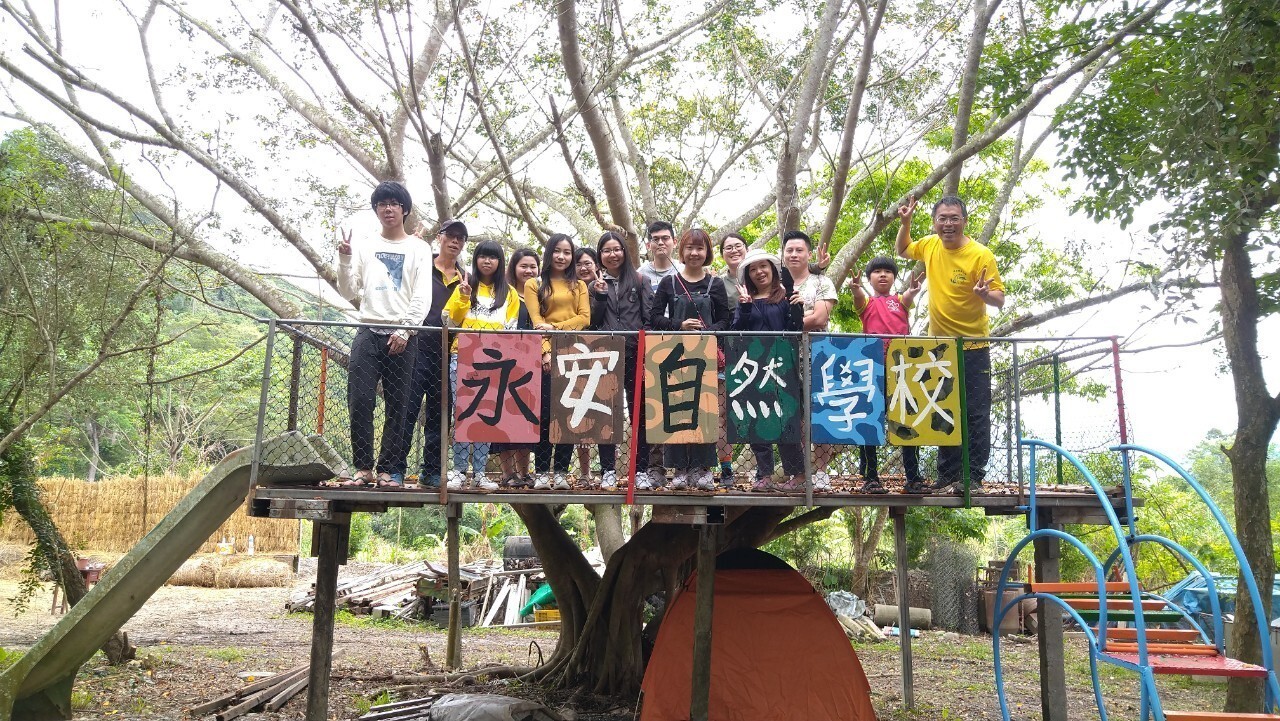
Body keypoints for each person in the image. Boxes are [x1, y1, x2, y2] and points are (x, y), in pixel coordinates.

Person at [896, 194, 1005, 491]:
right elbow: (903, 249)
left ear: (964, 221)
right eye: (942, 219)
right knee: (944, 408)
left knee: (976, 412)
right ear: (934, 222)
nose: (948, 224)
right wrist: (905, 223)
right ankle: (947, 475)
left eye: (954, 218)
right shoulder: (930, 245)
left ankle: (973, 476)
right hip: (940, 348)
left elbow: (1000, 299)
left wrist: (984, 294)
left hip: (974, 346)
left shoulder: (981, 255)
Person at [336, 181, 432, 488]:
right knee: (360, 399)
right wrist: (345, 259)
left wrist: (406, 329)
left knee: (399, 405)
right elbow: (349, 290)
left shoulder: (419, 248)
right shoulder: (366, 245)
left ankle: (387, 470)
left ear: (405, 210)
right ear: (376, 210)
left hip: (404, 334)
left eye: (394, 203)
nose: (388, 209)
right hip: (368, 329)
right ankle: (363, 467)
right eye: (382, 204)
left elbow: (422, 295)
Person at [646, 228, 731, 491]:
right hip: (674, 355)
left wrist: (707, 332)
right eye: (690, 248)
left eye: (700, 248)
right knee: (676, 409)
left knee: (704, 410)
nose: (694, 253)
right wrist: (679, 325)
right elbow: (654, 317)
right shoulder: (669, 283)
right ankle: (679, 469)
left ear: (707, 252)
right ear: (681, 250)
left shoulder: (715, 284)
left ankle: (702, 469)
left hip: (705, 356)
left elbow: (725, 320)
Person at [443, 240, 522, 492]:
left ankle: (479, 473)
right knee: (463, 413)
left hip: (495, 360)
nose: (487, 261)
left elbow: (511, 329)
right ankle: (458, 471)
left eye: (493, 257)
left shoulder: (509, 293)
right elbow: (450, 321)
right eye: (482, 256)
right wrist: (464, 297)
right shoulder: (465, 287)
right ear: (475, 259)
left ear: (500, 261)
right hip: (464, 355)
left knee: (488, 413)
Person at [731, 248, 805, 492]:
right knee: (757, 420)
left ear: (772, 269)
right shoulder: (745, 300)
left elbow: (795, 329)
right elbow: (736, 332)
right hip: (753, 367)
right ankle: (764, 475)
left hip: (781, 366)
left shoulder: (785, 296)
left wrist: (797, 307)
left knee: (786, 420)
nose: (759, 272)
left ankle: (798, 474)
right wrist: (744, 307)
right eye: (753, 269)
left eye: (763, 266)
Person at [851, 256, 925, 494]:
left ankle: (913, 477)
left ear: (894, 277)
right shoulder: (867, 303)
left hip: (901, 366)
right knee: (870, 419)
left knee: (906, 419)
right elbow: (858, 299)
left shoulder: (900, 301)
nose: (882, 275)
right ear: (869, 278)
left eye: (887, 271)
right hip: (872, 367)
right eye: (877, 271)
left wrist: (913, 291)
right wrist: (855, 289)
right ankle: (870, 477)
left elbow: (909, 297)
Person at [402, 219, 467, 489]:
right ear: (439, 237)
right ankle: (395, 469)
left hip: (446, 352)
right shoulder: (422, 266)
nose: (455, 241)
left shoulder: (465, 278)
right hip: (416, 346)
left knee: (440, 414)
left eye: (460, 238)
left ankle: (432, 471)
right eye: (450, 235)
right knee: (406, 409)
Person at [524, 233, 591, 490]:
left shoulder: (579, 285)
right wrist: (545, 352)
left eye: (567, 252)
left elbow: (584, 318)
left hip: (575, 352)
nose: (562, 257)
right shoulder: (535, 284)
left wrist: (554, 327)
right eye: (557, 251)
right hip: (544, 355)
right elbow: (536, 323)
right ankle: (542, 471)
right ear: (549, 252)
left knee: (568, 413)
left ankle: (561, 471)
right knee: (543, 414)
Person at [591, 231, 654, 491]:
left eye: (616, 249)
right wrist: (600, 296)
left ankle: (641, 470)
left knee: (640, 413)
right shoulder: (593, 284)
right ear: (600, 255)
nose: (612, 254)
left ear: (624, 252)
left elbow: (649, 318)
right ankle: (607, 470)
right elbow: (592, 322)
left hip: (635, 354)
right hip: (605, 356)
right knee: (605, 413)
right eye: (606, 250)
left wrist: (645, 350)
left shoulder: (640, 280)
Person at [782, 229, 839, 491]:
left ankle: (821, 472)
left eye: (799, 250)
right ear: (783, 254)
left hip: (817, 356)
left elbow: (819, 318)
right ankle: (799, 472)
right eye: (789, 250)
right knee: (791, 416)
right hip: (783, 357)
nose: (794, 254)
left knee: (820, 413)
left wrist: (786, 324)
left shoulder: (821, 282)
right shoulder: (775, 284)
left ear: (808, 254)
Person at [496, 248, 540, 487]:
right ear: (513, 268)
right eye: (524, 266)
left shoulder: (540, 295)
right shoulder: (505, 294)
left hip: (532, 363)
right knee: (504, 418)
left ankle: (524, 472)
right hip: (505, 361)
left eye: (533, 266)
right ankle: (507, 473)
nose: (529, 271)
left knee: (527, 417)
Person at [715, 232, 749, 486]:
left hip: (762, 354)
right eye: (728, 247)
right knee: (722, 413)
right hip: (727, 353)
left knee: (761, 412)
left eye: (738, 246)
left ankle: (764, 471)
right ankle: (726, 468)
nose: (734, 250)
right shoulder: (718, 283)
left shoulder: (762, 274)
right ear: (722, 254)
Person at [572, 246, 603, 483]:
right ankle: (585, 472)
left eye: (588, 263)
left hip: (603, 352)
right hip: (573, 351)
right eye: (579, 264)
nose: (583, 268)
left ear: (596, 265)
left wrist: (600, 294)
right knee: (578, 411)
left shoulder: (604, 286)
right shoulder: (569, 289)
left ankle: (609, 469)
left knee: (605, 411)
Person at [637, 221, 681, 292]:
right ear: (648, 245)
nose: (660, 243)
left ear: (675, 242)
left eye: (665, 238)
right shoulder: (640, 275)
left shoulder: (684, 270)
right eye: (655, 239)